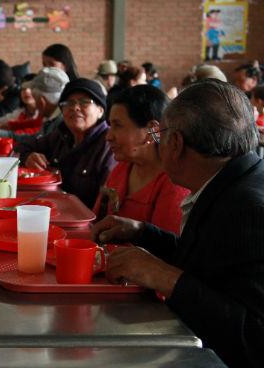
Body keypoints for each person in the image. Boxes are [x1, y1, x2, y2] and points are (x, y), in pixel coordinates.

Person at [91, 79, 264, 368]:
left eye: (160, 136)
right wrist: (144, 233)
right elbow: (211, 264)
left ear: (175, 143)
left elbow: (255, 338)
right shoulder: (227, 182)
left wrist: (168, 278)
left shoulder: (250, 209)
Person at [94, 85, 189, 234]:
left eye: (118, 126)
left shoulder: (174, 184)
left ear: (153, 131)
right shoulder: (122, 168)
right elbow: (97, 224)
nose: (108, 136)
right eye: (110, 125)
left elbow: (162, 253)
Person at [17, 78, 116, 208]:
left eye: (85, 102)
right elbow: (21, 145)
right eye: (69, 103)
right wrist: (28, 157)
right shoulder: (61, 136)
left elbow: (106, 205)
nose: (75, 107)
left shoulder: (110, 145)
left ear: (100, 110)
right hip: (52, 210)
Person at [0, 67, 68, 143]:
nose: (36, 106)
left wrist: (0, 132)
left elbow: (37, 140)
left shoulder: (59, 124)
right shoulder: (55, 117)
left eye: (35, 100)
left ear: (42, 101)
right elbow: (35, 133)